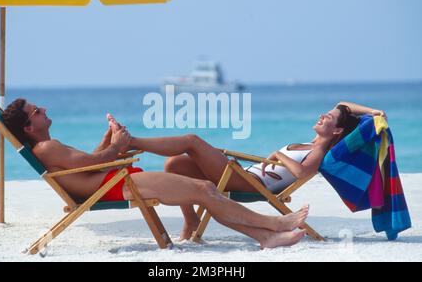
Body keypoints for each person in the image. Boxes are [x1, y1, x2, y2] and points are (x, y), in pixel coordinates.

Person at [1, 98, 309, 249]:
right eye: (36, 111)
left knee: (205, 189)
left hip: (111, 181)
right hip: (116, 184)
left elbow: (90, 162)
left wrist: (111, 141)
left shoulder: (47, 149)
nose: (42, 108)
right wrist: (118, 145)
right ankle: (275, 222)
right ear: (29, 127)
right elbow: (95, 164)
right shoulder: (46, 147)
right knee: (204, 189)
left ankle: (264, 236)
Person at [126, 101, 386, 239]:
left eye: (328, 119)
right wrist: (373, 112)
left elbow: (302, 173)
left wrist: (281, 155)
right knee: (174, 164)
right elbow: (343, 105)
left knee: (192, 140)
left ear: (338, 131)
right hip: (242, 171)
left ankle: (132, 142)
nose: (322, 116)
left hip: (248, 182)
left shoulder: (318, 151)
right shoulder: (310, 142)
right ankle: (190, 220)